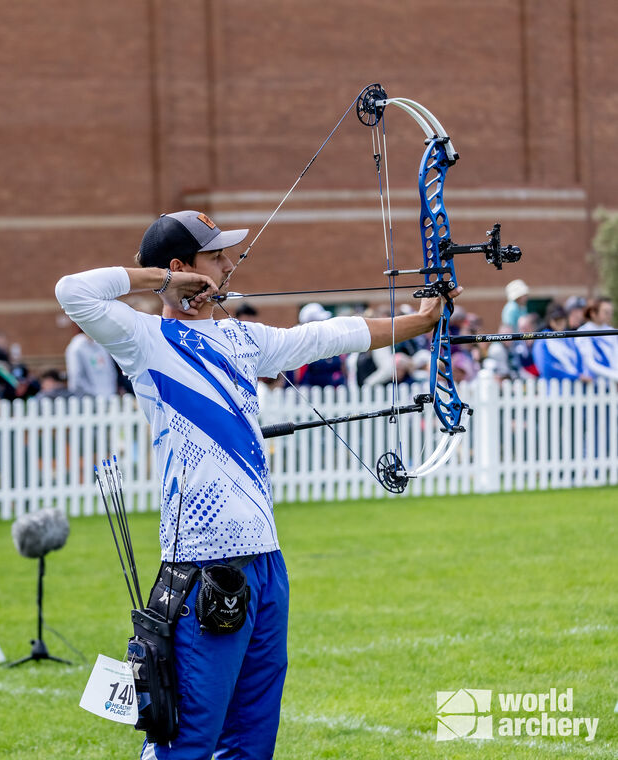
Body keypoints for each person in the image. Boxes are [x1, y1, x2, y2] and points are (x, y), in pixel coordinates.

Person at [55, 209, 449, 759]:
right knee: (188, 737)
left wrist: (420, 323)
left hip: (266, 563)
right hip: (204, 566)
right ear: (181, 266)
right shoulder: (144, 340)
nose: (229, 262)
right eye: (216, 255)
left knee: (252, 740)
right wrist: (162, 283)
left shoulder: (243, 338)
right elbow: (73, 291)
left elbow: (327, 336)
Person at [533, 304, 589, 384]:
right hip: (553, 390)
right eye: (556, 319)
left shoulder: (570, 338)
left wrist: (579, 377)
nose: (559, 322)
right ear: (549, 320)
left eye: (562, 318)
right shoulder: (542, 340)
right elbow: (546, 369)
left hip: (575, 389)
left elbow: (579, 361)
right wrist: (575, 377)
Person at [64, 325, 119, 397]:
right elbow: (76, 375)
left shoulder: (100, 345)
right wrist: (90, 392)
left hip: (108, 394)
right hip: (87, 397)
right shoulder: (76, 347)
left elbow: (110, 370)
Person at [575, 297, 618, 383]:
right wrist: (615, 376)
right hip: (592, 385)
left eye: (611, 312)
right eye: (606, 312)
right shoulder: (583, 331)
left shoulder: (611, 331)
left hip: (612, 384)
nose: (609, 315)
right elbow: (589, 363)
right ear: (593, 313)